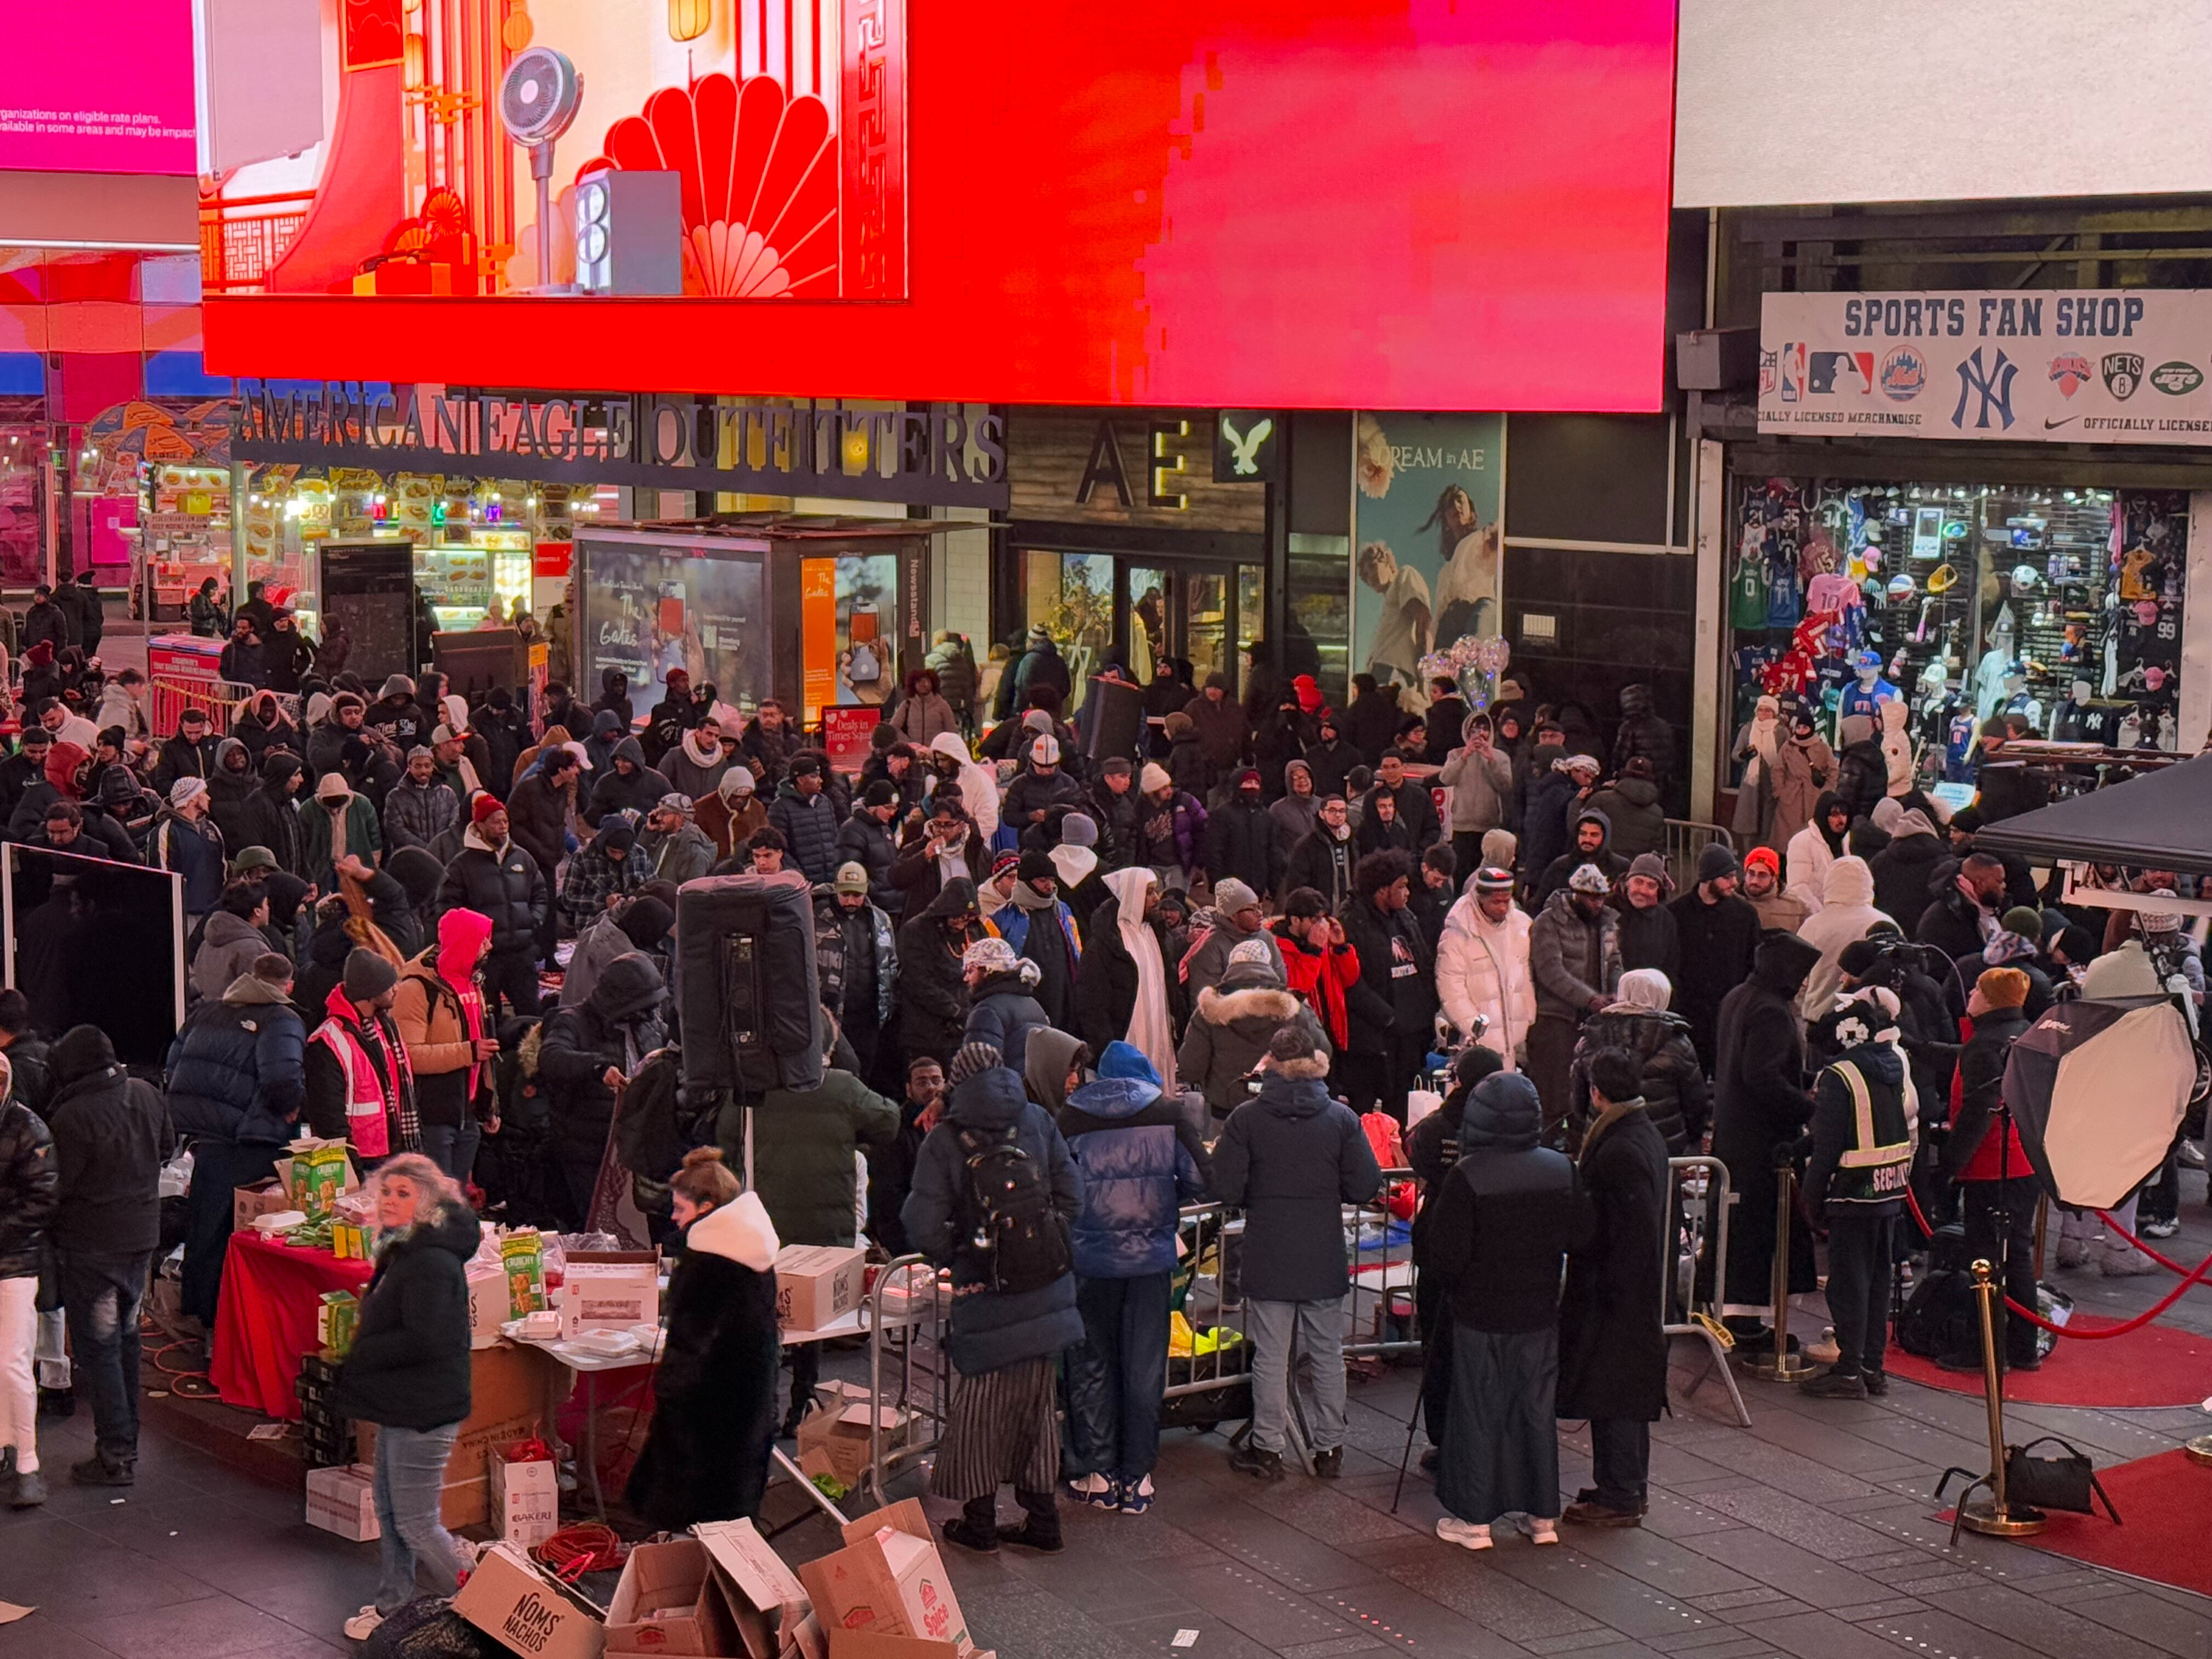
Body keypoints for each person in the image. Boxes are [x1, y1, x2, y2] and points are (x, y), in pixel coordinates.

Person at [901, 1049, 1084, 1554]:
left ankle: (979, 1523)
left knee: (981, 1411)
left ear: (955, 1084)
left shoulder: (946, 1139)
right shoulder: (1037, 1118)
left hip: (986, 1293)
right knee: (1037, 1408)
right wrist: (1042, 1244)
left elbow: (921, 1224)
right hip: (1046, 1289)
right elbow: (1074, 1195)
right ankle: (1043, 1520)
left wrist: (962, 1255)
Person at [1424, 1070, 1590, 1549]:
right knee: (1535, 1409)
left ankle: (1475, 1519)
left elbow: (1446, 1257)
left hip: (1480, 1311)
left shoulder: (1469, 1175)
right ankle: (1541, 1515)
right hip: (1538, 1308)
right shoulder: (1561, 1169)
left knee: (1478, 1409)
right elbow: (1583, 1235)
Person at [1212, 1022, 1382, 1481]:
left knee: (1271, 1356)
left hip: (1269, 1249)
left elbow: (1225, 1187)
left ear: (1271, 1063)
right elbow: (1365, 1185)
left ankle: (1268, 1448)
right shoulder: (1341, 1119)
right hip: (1322, 1251)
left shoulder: (1247, 1118)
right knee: (1327, 1353)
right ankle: (1330, 1448)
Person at [332, 1155, 480, 1643]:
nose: (390, 1201)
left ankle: (487, 1605)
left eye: (403, 1194)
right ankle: (392, 1604)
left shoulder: (431, 1262)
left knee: (416, 1523)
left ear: (428, 1204)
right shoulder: (410, 1250)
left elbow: (427, 1338)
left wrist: (361, 1352)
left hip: (425, 1408)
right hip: (406, 1402)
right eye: (386, 1191)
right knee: (392, 1512)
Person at [1058, 1041, 1210, 1513]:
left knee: (1092, 1364)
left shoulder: (1071, 1117)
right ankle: (1137, 1479)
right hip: (1150, 1262)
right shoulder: (1169, 1113)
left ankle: (1098, 1475)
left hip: (1089, 1261)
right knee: (1144, 1369)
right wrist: (1162, 1205)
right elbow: (1201, 1179)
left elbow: (1058, 1187)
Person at [744, 1018, 899, 1429]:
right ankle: (802, 1402)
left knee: (768, 1318)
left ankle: (766, 1408)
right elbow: (889, 1121)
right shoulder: (843, 1087)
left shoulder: (754, 1090)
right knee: (811, 1320)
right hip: (826, 1234)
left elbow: (726, 1136)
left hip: (767, 1230)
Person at [627, 1148, 782, 1528]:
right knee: (731, 1517)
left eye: (680, 1209)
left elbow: (688, 1351)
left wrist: (668, 1396)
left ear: (706, 1208)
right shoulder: (754, 1254)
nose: (674, 1218)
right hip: (746, 1407)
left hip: (702, 1421)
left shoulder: (707, 1265)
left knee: (691, 1518)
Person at [44, 1025, 172, 1487]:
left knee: (99, 1349)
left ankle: (116, 1453)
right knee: (128, 1341)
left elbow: (58, 1187)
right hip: (142, 1236)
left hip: (92, 1244)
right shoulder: (147, 1093)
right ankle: (126, 1443)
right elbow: (167, 1150)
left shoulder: (71, 1116)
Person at [1555, 1047, 1669, 1526]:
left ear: (1596, 1092)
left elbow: (1625, 1229)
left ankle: (1619, 1493)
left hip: (1617, 1293)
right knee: (1625, 1393)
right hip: (1632, 1291)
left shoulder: (1620, 1148)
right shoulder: (1642, 1132)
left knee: (1614, 1393)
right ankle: (1626, 1485)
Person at [167, 952, 306, 1331]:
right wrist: (291, 1108)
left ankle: (198, 1312)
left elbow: (174, 1062)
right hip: (252, 1139)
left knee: (205, 1226)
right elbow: (283, 1079)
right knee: (241, 1233)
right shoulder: (282, 1019)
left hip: (206, 1138)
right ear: (288, 986)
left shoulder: (207, 1011)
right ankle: (227, 1324)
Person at [1797, 990, 1916, 1399]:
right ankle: (1872, 1368)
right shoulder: (1891, 1063)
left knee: (1849, 1284)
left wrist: (1810, 1197)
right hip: (1889, 1187)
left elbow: (1828, 1145)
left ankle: (1848, 1372)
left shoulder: (1840, 1076)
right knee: (1878, 1282)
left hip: (1852, 1192)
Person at [1711, 932, 1821, 1347]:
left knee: (1736, 1229)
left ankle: (1733, 1313)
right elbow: (1763, 1075)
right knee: (1758, 1233)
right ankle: (1746, 1321)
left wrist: (1803, 1081)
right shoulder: (1772, 1011)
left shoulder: (1738, 996)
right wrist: (1808, 1109)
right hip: (1763, 1139)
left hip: (1734, 1131)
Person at [1940, 966, 2040, 1372]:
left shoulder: (1984, 1046)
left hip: (1991, 1164)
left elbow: (1978, 1113)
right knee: (2017, 1254)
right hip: (2023, 1161)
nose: (1971, 995)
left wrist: (1949, 1166)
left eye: (1977, 991)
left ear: (1991, 999)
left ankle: (1982, 1347)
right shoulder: (2027, 1034)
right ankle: (2023, 1345)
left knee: (1984, 1259)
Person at [538, 952, 669, 1228]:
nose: (648, 1014)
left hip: (638, 1144)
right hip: (589, 1148)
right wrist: (598, 1068)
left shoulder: (648, 1024)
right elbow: (551, 1057)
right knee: (596, 1225)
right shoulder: (572, 1021)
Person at [394, 909, 495, 1182]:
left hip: (468, 1114)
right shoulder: (417, 989)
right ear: (465, 942)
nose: (489, 946)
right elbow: (410, 1055)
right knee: (435, 1197)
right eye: (483, 940)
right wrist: (467, 1052)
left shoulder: (473, 983)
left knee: (457, 1197)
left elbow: (484, 1050)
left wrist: (489, 1105)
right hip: (434, 1116)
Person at [1339, 850, 1437, 1122]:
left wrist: (1428, 1008)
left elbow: (1424, 963)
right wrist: (1388, 1017)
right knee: (1363, 1112)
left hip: (1411, 1035)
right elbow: (1352, 982)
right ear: (1382, 890)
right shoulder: (1352, 923)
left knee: (1403, 1111)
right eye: (1401, 887)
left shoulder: (1406, 917)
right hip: (1373, 1040)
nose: (1407, 893)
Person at [1566, 969, 1708, 1156]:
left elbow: (1578, 1103)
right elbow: (1695, 1103)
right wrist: (1694, 1140)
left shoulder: (1589, 1039)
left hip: (1603, 1143)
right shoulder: (1677, 1043)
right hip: (1663, 1149)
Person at [1526, 865, 1622, 1143]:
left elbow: (1615, 962)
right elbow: (1550, 971)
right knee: (1553, 1095)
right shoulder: (1548, 922)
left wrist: (1616, 992)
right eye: (1592, 898)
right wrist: (1590, 998)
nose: (1598, 904)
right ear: (1576, 893)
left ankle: (1582, 1150)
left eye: (1601, 898)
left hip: (1594, 1022)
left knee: (1586, 1095)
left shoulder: (1608, 923)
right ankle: (1545, 1149)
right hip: (1555, 1018)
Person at [0, 1050, 54, 1507]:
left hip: (16, 1263)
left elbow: (42, 1200)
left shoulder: (28, 1128)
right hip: (13, 1255)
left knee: (12, 1362)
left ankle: (27, 1462)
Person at [306, 949, 418, 1164]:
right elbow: (329, 1117)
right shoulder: (328, 1041)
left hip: (392, 1152)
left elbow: (402, 1089)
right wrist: (352, 1169)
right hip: (362, 1158)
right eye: (389, 985)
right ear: (371, 992)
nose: (396, 989)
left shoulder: (386, 1028)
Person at [438, 796, 547, 1016]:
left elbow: (541, 893)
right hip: (486, 957)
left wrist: (533, 919)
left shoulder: (523, 858)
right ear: (480, 825)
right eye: (496, 822)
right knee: (488, 1016)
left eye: (505, 821)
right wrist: (473, 939)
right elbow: (448, 908)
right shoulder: (461, 865)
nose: (503, 827)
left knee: (532, 1013)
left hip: (521, 952)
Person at [1075, 867, 1182, 1086]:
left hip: (1159, 1034)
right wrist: (1107, 1049)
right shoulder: (1105, 944)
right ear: (1133, 895)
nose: (1157, 899)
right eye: (1149, 893)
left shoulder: (1158, 934)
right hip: (1125, 1042)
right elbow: (1091, 1003)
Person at [1178, 938, 1301, 1119]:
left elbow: (1191, 1068)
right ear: (1268, 964)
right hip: (1280, 1110)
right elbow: (1322, 1051)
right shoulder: (1292, 1008)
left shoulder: (1209, 1010)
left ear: (1232, 964)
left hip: (1225, 1112)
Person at [1667, 843, 1762, 1071]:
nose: (1735, 882)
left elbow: (1753, 961)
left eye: (1734, 876)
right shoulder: (1677, 914)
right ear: (1708, 878)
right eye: (1727, 877)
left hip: (1729, 1013)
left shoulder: (1745, 915)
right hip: (1689, 1014)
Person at [895, 878, 981, 1070]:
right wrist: (955, 1011)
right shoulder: (917, 930)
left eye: (967, 917)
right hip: (926, 1032)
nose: (962, 922)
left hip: (964, 1027)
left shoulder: (975, 930)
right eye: (958, 917)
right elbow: (917, 981)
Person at [986, 851, 1080, 1028]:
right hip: (1024, 1000)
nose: (1050, 886)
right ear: (1026, 882)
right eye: (1043, 880)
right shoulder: (1000, 919)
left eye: (1052, 880)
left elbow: (1077, 951)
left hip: (1064, 998)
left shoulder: (1063, 912)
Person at [1182, 876, 1285, 999]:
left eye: (1259, 907)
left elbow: (1281, 981)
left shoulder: (1266, 937)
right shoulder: (1211, 947)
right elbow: (1205, 999)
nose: (1260, 914)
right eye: (1252, 909)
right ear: (1233, 915)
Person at [1437, 715, 1515, 877]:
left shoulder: (1501, 757)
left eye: (1485, 729)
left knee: (1487, 875)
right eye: (1475, 730)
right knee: (1461, 875)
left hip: (1489, 825)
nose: (1480, 734)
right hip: (1462, 826)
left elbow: (1505, 785)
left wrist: (1491, 760)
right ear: (1467, 732)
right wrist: (1464, 756)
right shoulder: (1455, 754)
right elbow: (1445, 779)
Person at [298, 772, 383, 890]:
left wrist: (373, 868)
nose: (335, 810)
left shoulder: (363, 805)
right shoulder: (308, 810)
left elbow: (375, 837)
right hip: (321, 870)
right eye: (330, 803)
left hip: (356, 867)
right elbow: (301, 843)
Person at [1203, 768, 1279, 899]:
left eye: (1256, 783)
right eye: (1248, 782)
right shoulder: (1223, 814)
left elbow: (1272, 853)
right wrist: (1216, 882)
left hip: (1257, 887)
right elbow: (1214, 851)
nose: (1253, 787)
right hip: (1230, 886)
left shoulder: (1266, 817)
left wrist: (1274, 886)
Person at [1282, 793, 1357, 913]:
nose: (1338, 815)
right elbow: (1296, 885)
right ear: (1322, 814)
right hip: (1320, 913)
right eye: (1332, 811)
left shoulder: (1353, 842)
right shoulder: (1306, 845)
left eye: (1342, 811)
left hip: (1350, 912)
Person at [1612, 852, 1678, 979]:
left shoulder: (1665, 919)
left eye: (1651, 886)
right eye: (1638, 882)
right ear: (1628, 882)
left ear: (1658, 890)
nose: (1643, 891)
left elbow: (1671, 967)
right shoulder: (1608, 909)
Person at [1786, 791, 1851, 916]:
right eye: (1835, 814)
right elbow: (1798, 887)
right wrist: (1822, 915)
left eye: (1844, 814)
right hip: (1810, 916)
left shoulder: (1845, 839)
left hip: (1840, 914)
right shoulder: (1802, 841)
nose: (1841, 820)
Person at [1741, 845, 1808, 933]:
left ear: (1774, 878)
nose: (1755, 881)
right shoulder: (1731, 901)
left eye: (1762, 875)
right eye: (1751, 874)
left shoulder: (1795, 907)